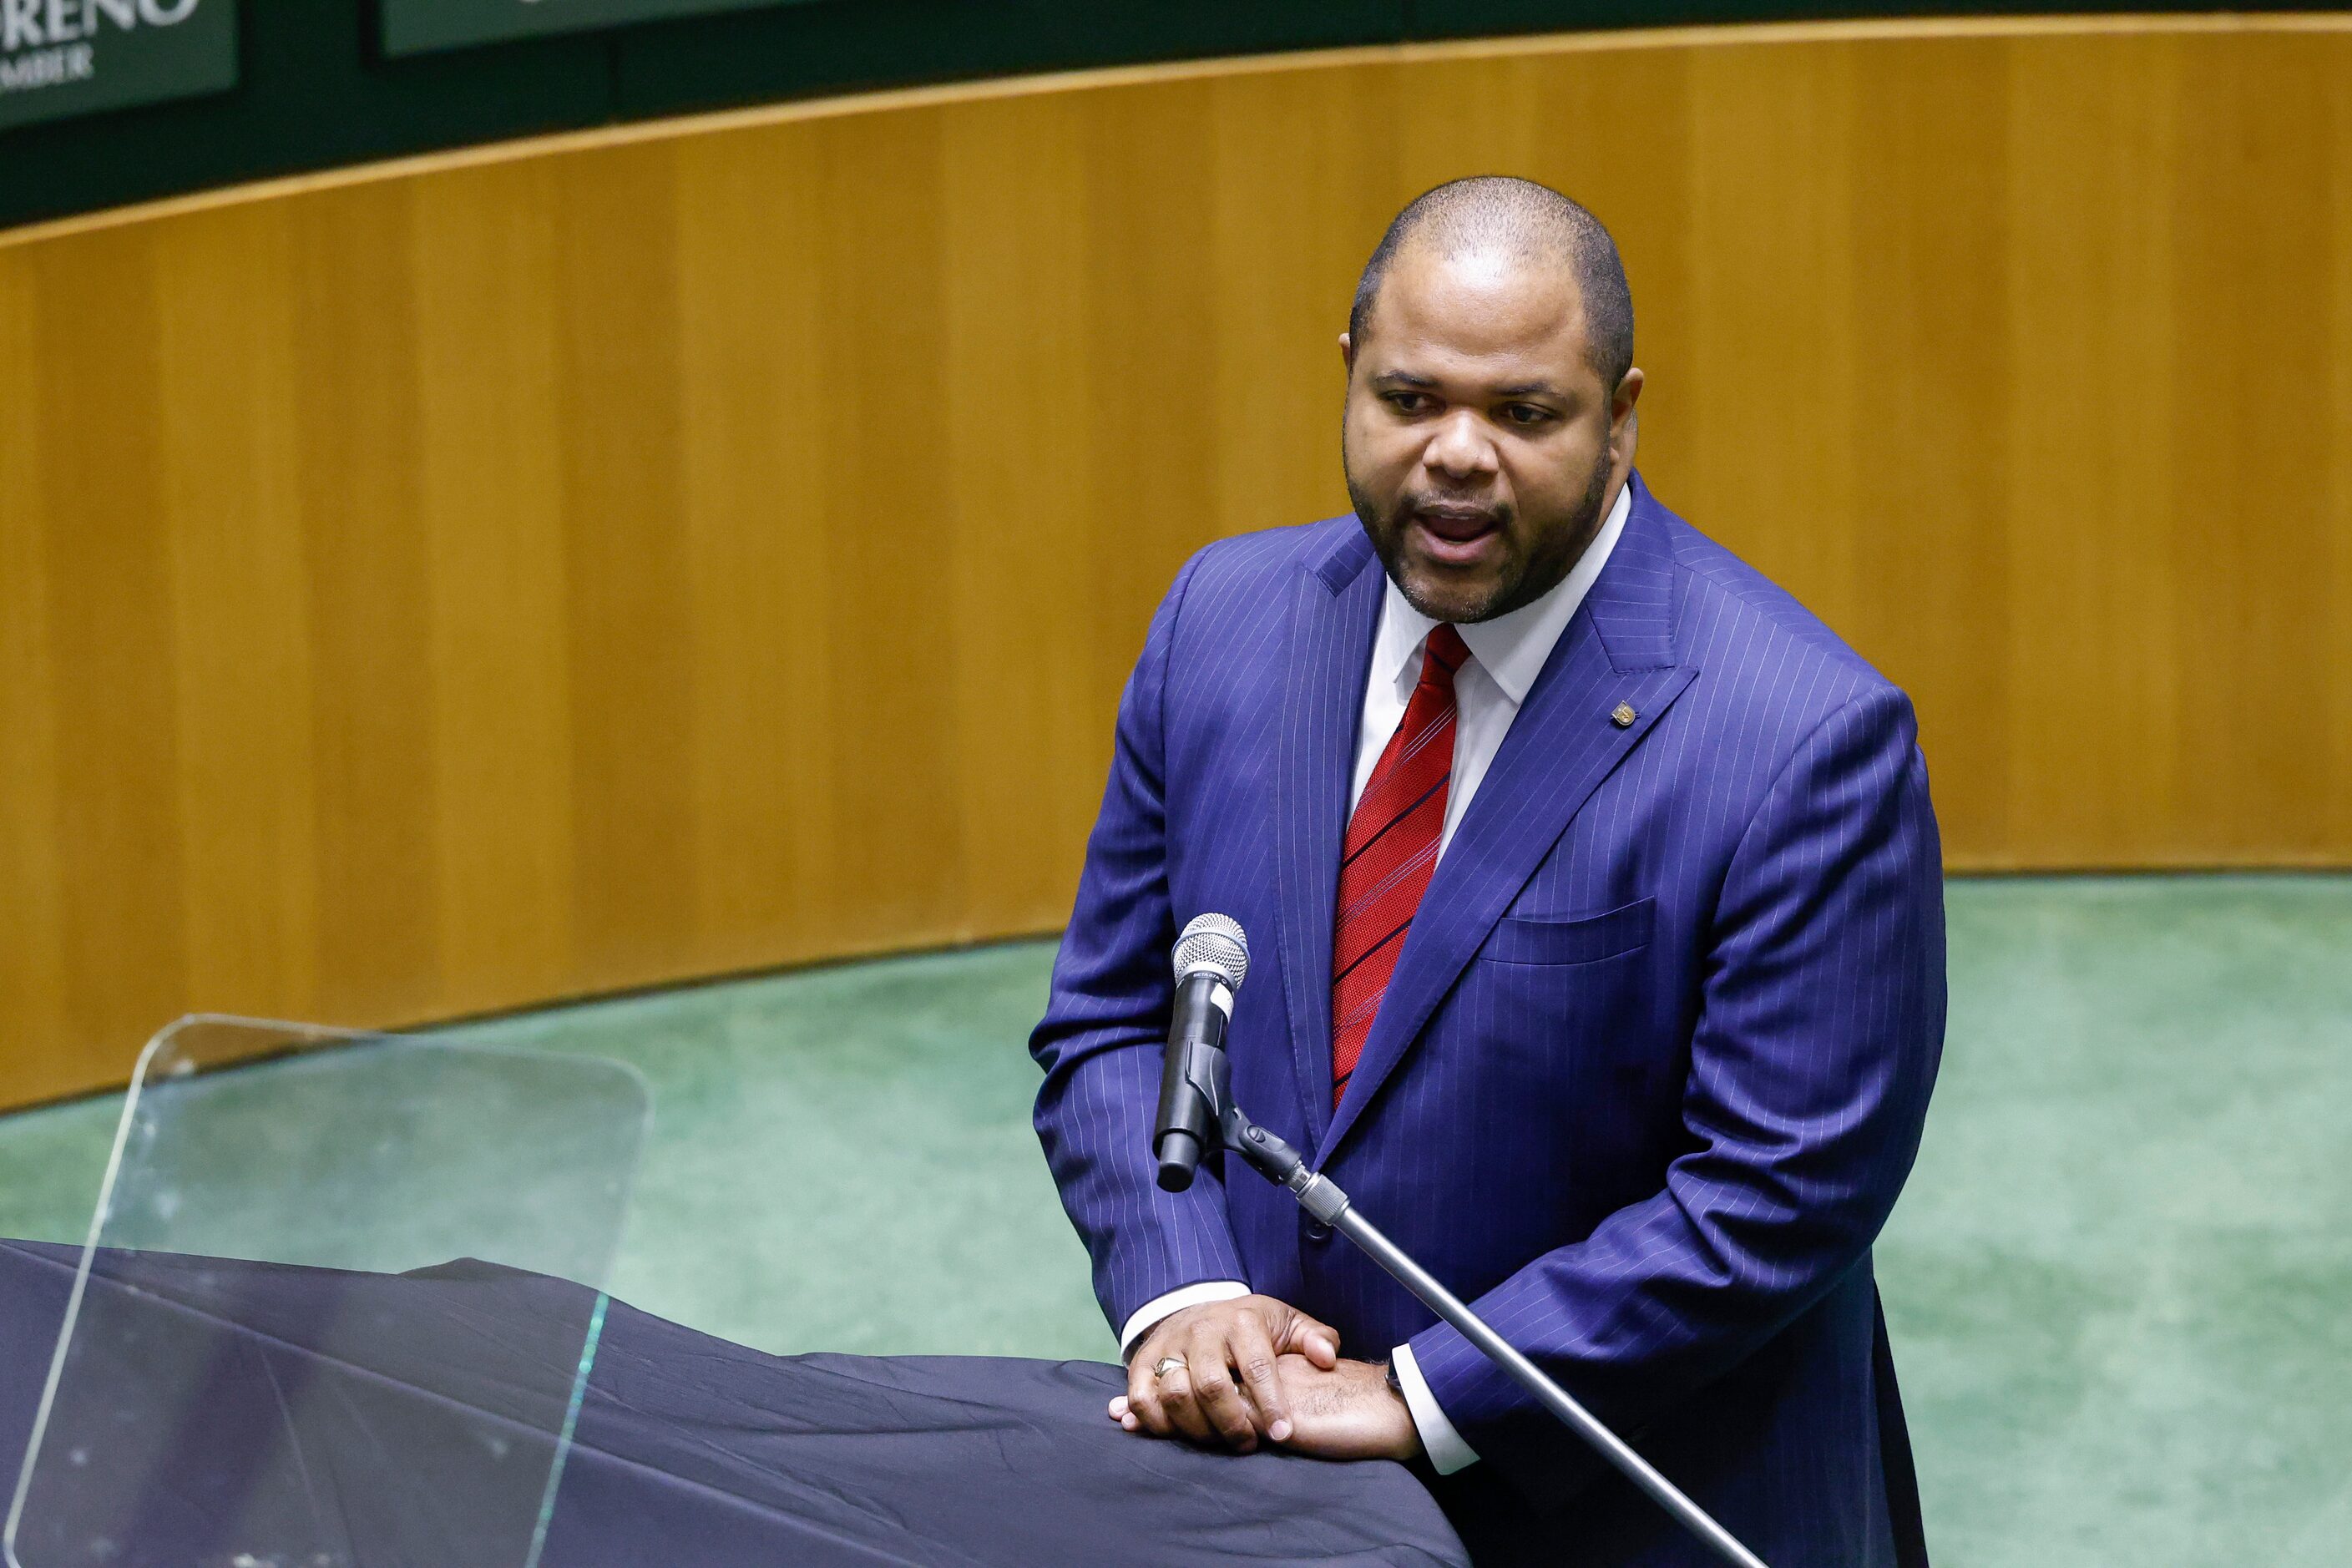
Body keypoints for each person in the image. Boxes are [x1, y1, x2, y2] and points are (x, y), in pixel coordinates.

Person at [1029, 175, 1944, 1567]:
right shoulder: (1218, 621)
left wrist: (1419, 1394)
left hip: (1635, 1514)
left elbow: (1778, 1189)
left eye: (1523, 414)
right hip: (1272, 1501)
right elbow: (1108, 1023)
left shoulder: (1805, 738)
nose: (1456, 455)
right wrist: (1187, 1289)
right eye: (1409, 401)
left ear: (1622, 415)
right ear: (1348, 380)